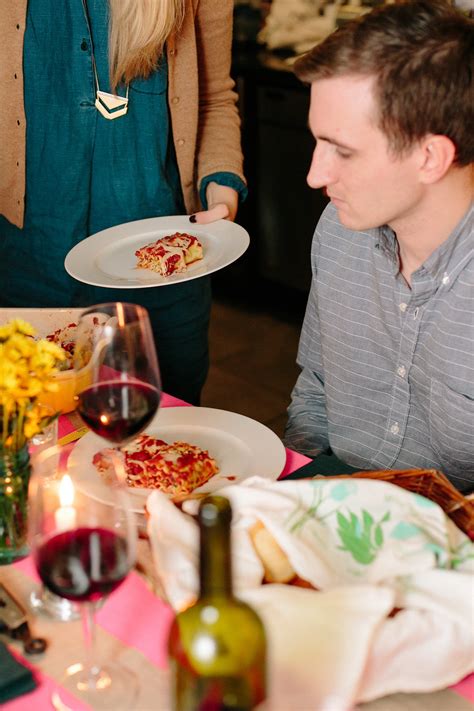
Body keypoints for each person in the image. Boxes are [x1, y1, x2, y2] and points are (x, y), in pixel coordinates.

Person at [0, 0, 247, 405]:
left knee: (160, 446)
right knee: (35, 441)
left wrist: (221, 189)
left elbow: (214, 97)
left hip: (161, 270)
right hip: (27, 263)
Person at [284, 0, 473, 492]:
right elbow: (316, 392)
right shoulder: (338, 228)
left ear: (430, 156)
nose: (314, 176)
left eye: (342, 151)